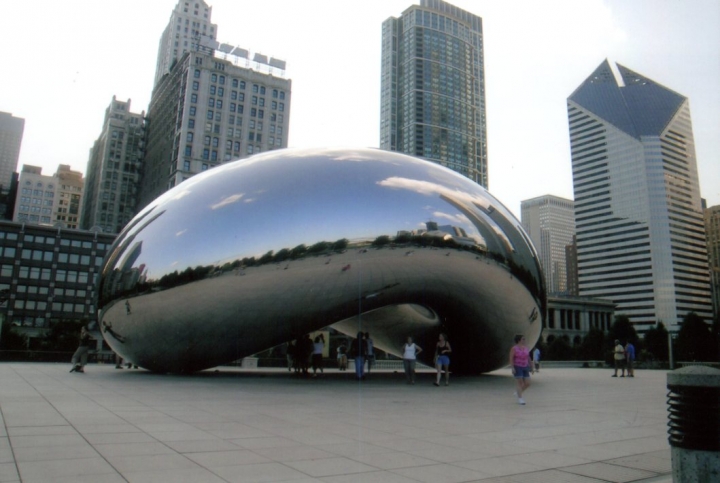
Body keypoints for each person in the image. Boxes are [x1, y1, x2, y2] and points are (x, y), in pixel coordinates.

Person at [509, 334, 531, 405]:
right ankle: (520, 398)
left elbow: (528, 357)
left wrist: (531, 365)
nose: (524, 340)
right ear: (519, 340)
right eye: (523, 339)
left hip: (525, 366)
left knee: (527, 383)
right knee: (520, 383)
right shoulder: (514, 348)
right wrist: (512, 367)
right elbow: (511, 358)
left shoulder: (526, 348)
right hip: (517, 366)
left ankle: (518, 392)